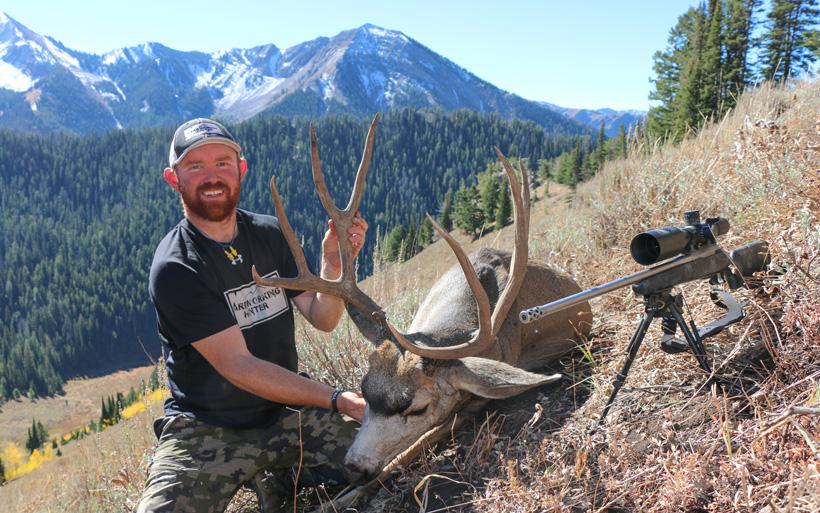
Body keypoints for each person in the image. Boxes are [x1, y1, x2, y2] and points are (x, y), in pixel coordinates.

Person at [137, 118, 368, 513]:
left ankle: (279, 478)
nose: (212, 177)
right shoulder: (176, 267)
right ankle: (275, 477)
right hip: (207, 427)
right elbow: (239, 366)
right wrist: (335, 399)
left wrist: (334, 261)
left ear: (241, 169)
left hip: (286, 413)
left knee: (391, 457)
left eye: (223, 163)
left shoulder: (270, 234)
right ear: (173, 179)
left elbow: (322, 317)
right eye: (196, 167)